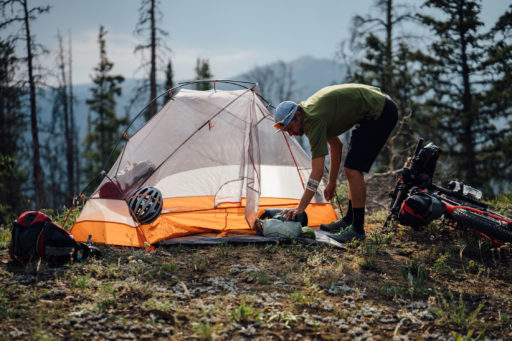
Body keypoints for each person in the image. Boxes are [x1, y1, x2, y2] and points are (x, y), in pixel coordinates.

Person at [273, 83, 398, 243]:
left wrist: (300, 208)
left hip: (381, 112)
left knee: (353, 169)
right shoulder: (310, 113)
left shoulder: (313, 120)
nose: (291, 134)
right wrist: (331, 182)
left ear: (298, 115)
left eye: (290, 128)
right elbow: (336, 145)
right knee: (351, 169)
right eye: (287, 131)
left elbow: (317, 172)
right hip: (373, 111)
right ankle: (349, 220)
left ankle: (357, 230)